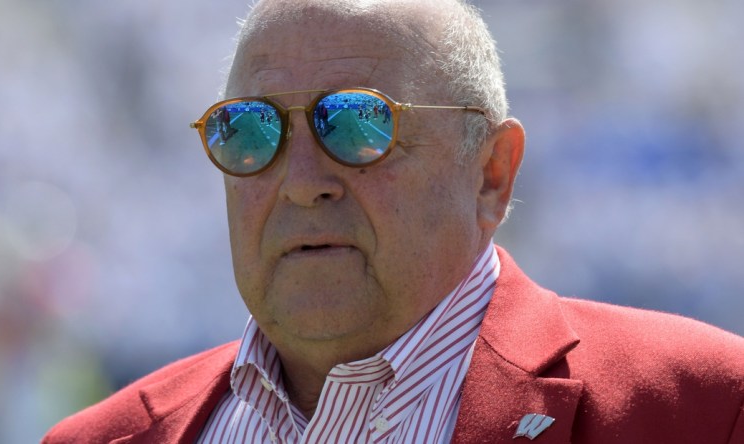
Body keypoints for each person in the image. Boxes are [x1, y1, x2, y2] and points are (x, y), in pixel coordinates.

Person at [43, 0, 744, 443]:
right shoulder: (104, 436)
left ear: (492, 172)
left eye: (357, 122)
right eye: (251, 132)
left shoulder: (703, 406)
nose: (300, 183)